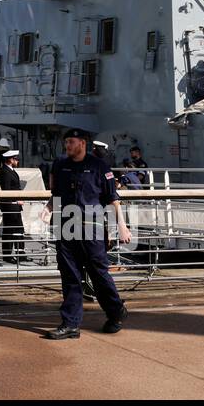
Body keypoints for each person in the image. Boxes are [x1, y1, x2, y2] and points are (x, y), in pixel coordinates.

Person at [45, 128, 130, 340]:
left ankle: (115, 312)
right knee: (70, 276)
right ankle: (70, 324)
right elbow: (56, 194)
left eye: (71, 142)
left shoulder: (99, 167)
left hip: (92, 228)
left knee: (99, 275)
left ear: (82, 143)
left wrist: (121, 226)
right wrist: (48, 209)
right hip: (66, 227)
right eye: (66, 142)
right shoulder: (60, 165)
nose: (68, 146)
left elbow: (112, 199)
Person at [0, 148, 25, 264]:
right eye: (16, 159)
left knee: (19, 230)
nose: (17, 161)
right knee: (9, 231)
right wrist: (17, 200)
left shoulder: (11, 171)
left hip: (15, 206)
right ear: (10, 160)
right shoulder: (5, 173)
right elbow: (7, 191)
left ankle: (20, 253)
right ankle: (7, 255)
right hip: (10, 206)